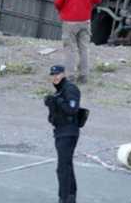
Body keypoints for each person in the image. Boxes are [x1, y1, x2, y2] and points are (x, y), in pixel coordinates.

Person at [54, 0, 101, 84]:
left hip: (69, 22)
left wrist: (62, 11)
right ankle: (84, 76)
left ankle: (70, 77)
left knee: (69, 49)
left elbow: (57, 1)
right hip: (85, 21)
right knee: (84, 48)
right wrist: (88, 6)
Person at [44, 65, 80, 203]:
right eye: (53, 75)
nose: (55, 77)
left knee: (62, 168)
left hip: (68, 132)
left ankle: (64, 198)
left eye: (57, 74)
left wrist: (58, 101)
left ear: (63, 74)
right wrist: (50, 104)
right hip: (60, 131)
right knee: (67, 165)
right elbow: (54, 116)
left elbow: (72, 109)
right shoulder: (58, 91)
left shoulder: (70, 88)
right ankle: (70, 196)